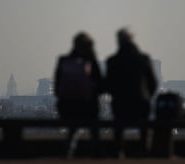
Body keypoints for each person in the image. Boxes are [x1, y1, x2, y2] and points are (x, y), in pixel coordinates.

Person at [105, 27, 158, 155]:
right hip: (141, 105)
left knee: (118, 122)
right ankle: (144, 148)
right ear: (133, 40)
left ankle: (118, 149)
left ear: (118, 41)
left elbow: (108, 85)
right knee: (144, 123)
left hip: (120, 106)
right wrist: (146, 96)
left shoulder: (112, 61)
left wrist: (117, 95)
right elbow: (153, 83)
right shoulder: (144, 59)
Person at [53, 31, 103, 157]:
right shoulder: (91, 61)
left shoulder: (63, 60)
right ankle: (96, 152)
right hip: (88, 108)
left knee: (72, 129)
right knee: (94, 126)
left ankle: (68, 151)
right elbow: (101, 85)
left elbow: (57, 88)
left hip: (67, 108)